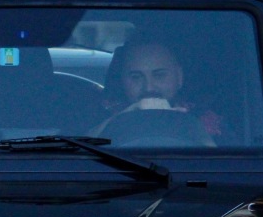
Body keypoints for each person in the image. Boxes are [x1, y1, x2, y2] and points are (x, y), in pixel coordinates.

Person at [92, 37, 220, 142]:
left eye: (159, 75)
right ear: (122, 80)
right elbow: (77, 152)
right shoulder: (101, 115)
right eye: (136, 77)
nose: (149, 87)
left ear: (179, 77)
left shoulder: (205, 119)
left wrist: (190, 125)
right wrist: (122, 118)